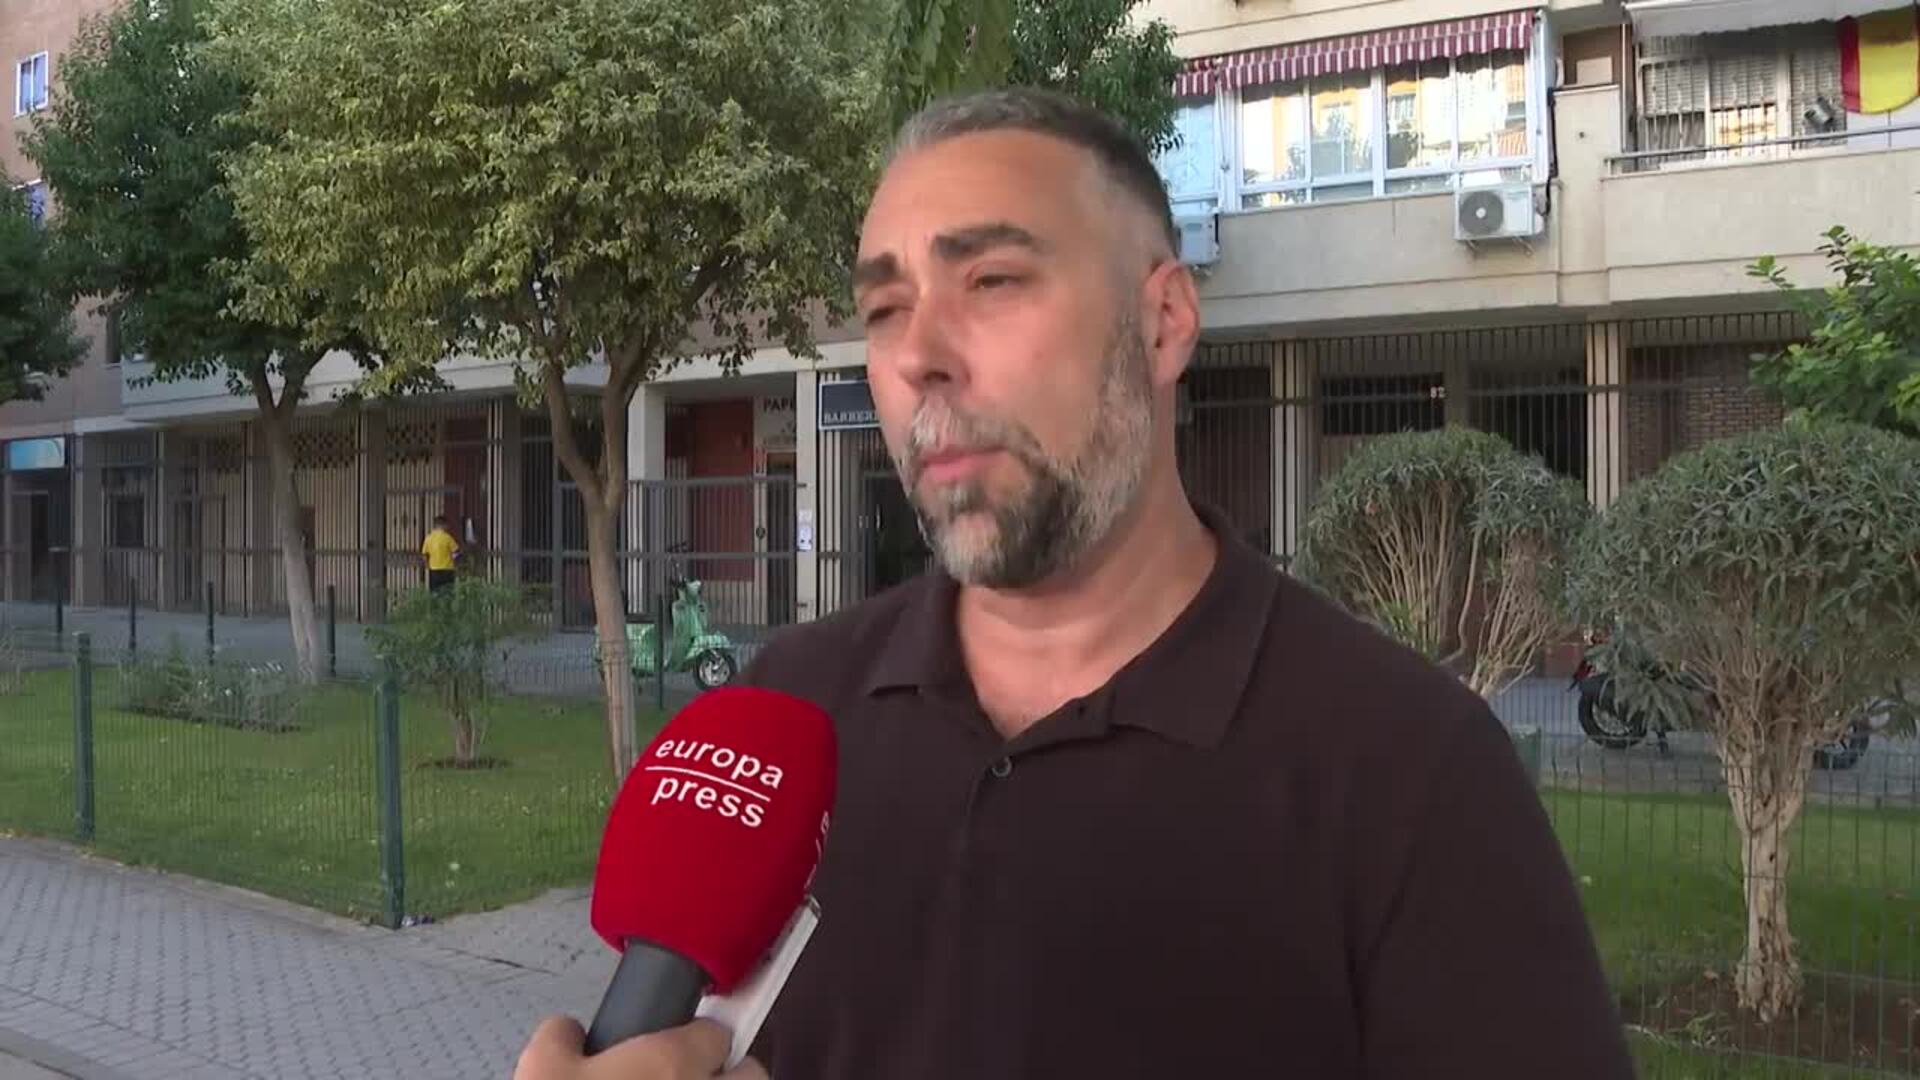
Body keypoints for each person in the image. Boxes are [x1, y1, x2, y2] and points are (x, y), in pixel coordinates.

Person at [514, 88, 1635, 1079]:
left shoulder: (1411, 777)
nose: (917, 355)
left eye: (992, 280)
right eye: (886, 308)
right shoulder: (790, 711)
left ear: (1163, 322)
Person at [422, 514, 460, 594]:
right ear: (443, 525)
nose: (448, 527)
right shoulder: (447, 538)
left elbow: (424, 555)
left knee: (434, 592)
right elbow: (456, 552)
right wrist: (456, 564)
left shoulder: (429, 538)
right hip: (447, 569)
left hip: (434, 569)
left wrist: (427, 566)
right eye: (446, 525)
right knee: (448, 593)